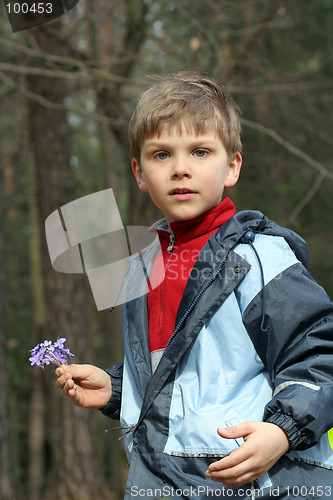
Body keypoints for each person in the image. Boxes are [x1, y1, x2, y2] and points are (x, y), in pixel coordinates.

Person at [56, 72, 333, 499]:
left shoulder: (258, 256)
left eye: (200, 151)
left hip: (258, 480)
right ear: (140, 173)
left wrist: (283, 430)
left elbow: (318, 356)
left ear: (232, 166)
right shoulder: (141, 268)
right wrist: (118, 387)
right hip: (162, 481)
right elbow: (185, 374)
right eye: (161, 154)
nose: (181, 168)